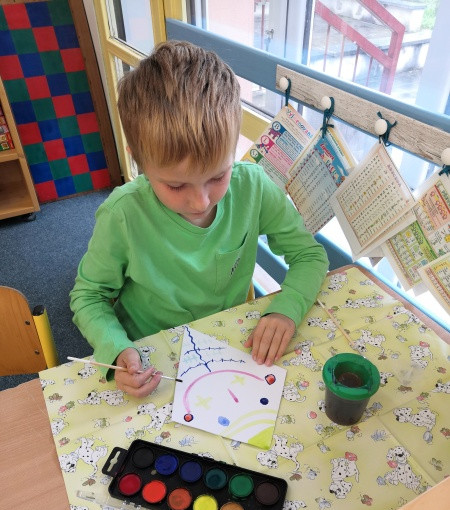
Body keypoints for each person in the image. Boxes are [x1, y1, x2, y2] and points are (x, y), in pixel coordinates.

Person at [70, 40, 328, 399]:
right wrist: (115, 348)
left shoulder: (253, 186)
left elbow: (310, 255)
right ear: (140, 162)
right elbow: (89, 296)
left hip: (231, 346)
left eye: (218, 176)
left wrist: (288, 307)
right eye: (176, 185)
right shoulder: (123, 214)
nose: (201, 201)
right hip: (152, 357)